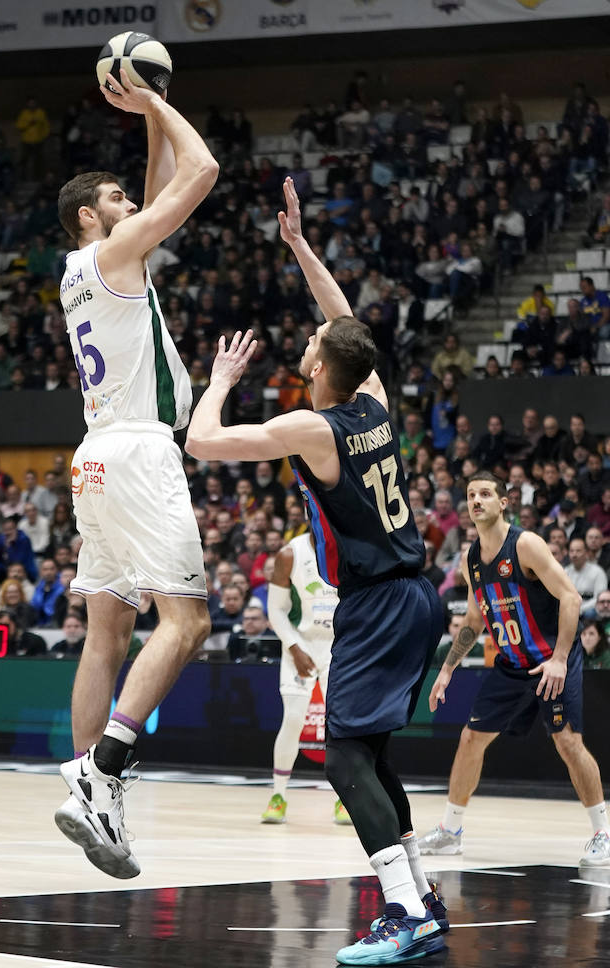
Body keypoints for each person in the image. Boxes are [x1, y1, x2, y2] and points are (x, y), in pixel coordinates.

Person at [185, 177, 448, 963]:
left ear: (325, 367)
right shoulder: (374, 398)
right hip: (416, 595)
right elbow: (342, 322)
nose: (305, 346)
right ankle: (419, 897)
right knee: (367, 756)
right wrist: (300, 247)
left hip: (376, 602)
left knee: (339, 758)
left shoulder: (313, 424)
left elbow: (202, 442)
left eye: (310, 349)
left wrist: (220, 387)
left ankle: (408, 913)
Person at [51, 70, 218, 881]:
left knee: (106, 633)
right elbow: (201, 173)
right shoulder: (115, 250)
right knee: (186, 624)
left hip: (92, 457)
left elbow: (153, 191)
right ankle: (101, 772)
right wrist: (155, 104)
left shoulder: (87, 268)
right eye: (117, 197)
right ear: (93, 216)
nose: (131, 203)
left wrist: (141, 111)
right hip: (141, 452)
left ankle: (92, 792)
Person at [418, 472, 610, 870]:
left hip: (551, 660)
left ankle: (605, 835)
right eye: (471, 495)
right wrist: (447, 670)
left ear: (504, 502)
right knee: (470, 739)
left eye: (486, 494)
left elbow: (571, 598)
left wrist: (561, 658)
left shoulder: (526, 544)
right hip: (511, 664)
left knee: (567, 743)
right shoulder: (470, 559)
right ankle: (450, 832)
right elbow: (475, 620)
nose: (476, 501)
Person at [259, 533, 349, 826]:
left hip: (340, 646)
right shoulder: (289, 554)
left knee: (340, 724)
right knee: (295, 718)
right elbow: (276, 610)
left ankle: (345, 799)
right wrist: (294, 648)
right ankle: (278, 796)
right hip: (300, 643)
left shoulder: (351, 547)